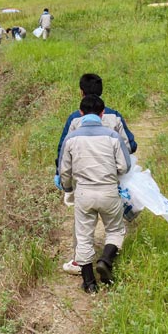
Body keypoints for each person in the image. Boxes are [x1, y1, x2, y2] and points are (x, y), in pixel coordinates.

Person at [56, 73, 137, 275]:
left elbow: (63, 150)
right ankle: (108, 257)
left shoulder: (76, 118)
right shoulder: (114, 116)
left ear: (81, 93)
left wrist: (63, 179)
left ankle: (81, 265)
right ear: (101, 93)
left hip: (82, 182)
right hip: (110, 180)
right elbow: (130, 145)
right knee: (114, 224)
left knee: (82, 227)